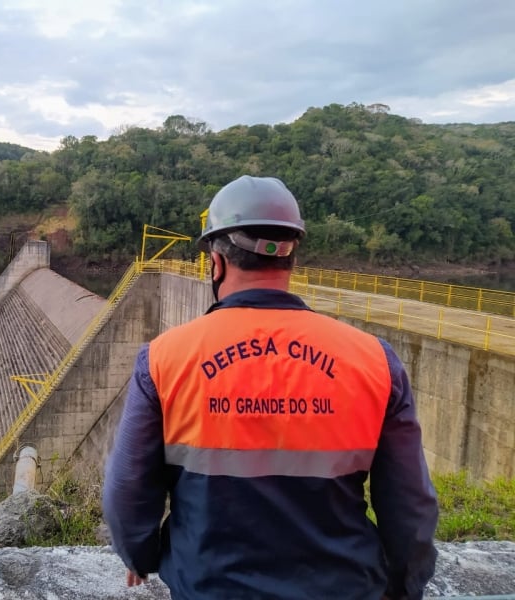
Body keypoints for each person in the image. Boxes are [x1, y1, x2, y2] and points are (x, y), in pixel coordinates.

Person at [102, 175, 439, 599]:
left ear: (216, 263)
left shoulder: (164, 359)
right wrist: (405, 585)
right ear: (290, 260)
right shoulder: (374, 360)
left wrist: (142, 556)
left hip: (209, 586)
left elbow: (127, 492)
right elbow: (410, 505)